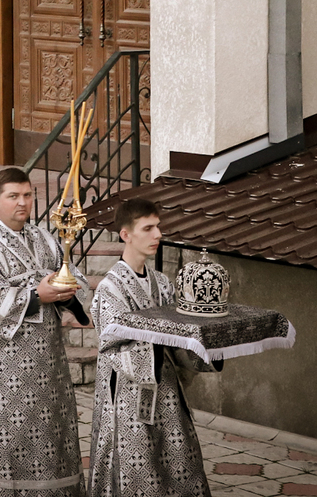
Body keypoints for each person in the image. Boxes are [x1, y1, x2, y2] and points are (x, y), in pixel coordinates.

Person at [0, 167, 91, 497]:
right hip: (3, 370)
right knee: (4, 442)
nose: (22, 203)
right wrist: (37, 294)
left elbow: (76, 278)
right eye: (13, 196)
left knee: (50, 439)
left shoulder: (45, 239)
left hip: (49, 369)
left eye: (27, 195)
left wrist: (66, 292)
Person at [88, 198, 219, 497]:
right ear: (126, 235)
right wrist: (160, 341)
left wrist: (208, 346)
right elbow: (113, 349)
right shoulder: (110, 290)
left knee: (181, 467)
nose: (158, 234)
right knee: (139, 474)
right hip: (129, 399)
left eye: (158, 227)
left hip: (169, 392)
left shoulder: (162, 283)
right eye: (148, 228)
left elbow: (180, 338)